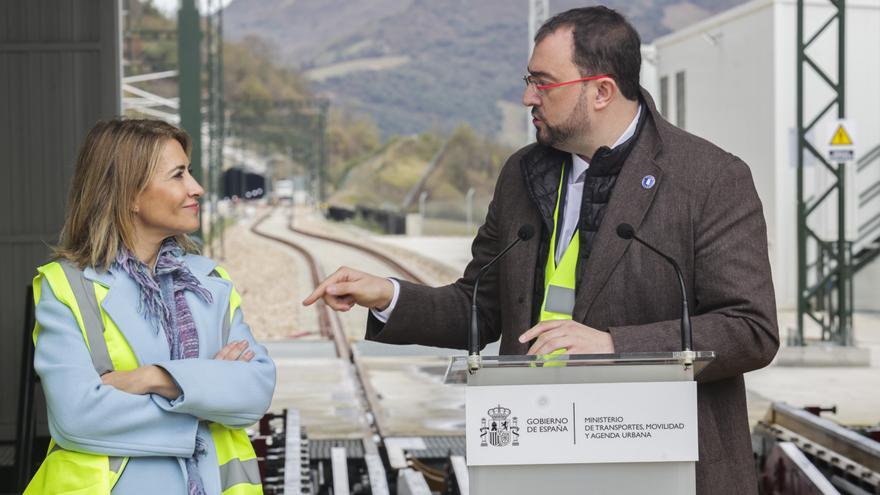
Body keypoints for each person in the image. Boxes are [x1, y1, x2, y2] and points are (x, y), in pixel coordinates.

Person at [304, 6, 778, 493]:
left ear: (601, 91)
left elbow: (751, 329)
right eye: (528, 79)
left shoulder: (711, 179)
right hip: (541, 457)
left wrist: (615, 346)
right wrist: (387, 295)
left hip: (667, 466)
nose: (528, 96)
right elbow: (479, 308)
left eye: (543, 82)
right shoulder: (521, 174)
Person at [25, 119, 276, 494]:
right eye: (178, 175)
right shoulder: (68, 287)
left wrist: (154, 378)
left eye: (188, 172)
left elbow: (254, 391)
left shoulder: (211, 283)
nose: (197, 188)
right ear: (129, 194)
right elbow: (77, 416)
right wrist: (206, 392)